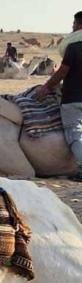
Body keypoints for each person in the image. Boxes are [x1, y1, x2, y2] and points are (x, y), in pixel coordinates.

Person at [35, 11, 82, 181]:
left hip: (73, 98)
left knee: (74, 131)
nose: (71, 27)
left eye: (73, 24)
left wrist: (46, 87)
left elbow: (63, 71)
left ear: (78, 26)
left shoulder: (74, 47)